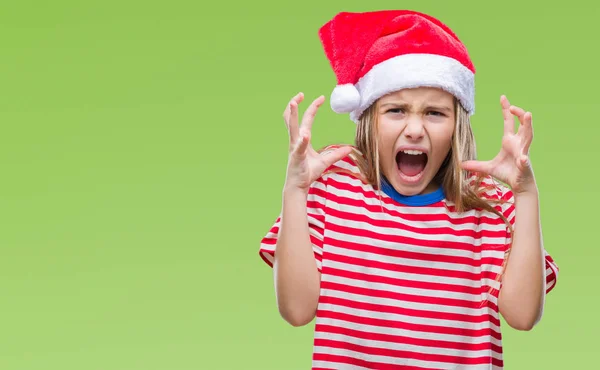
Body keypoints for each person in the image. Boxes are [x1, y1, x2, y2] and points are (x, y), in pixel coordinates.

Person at [258, 9, 559, 370]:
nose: (415, 129)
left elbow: (523, 316)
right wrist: (295, 189)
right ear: (370, 118)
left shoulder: (487, 205)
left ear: (456, 128)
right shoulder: (332, 186)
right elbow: (296, 310)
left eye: (434, 113)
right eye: (396, 110)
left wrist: (525, 196)